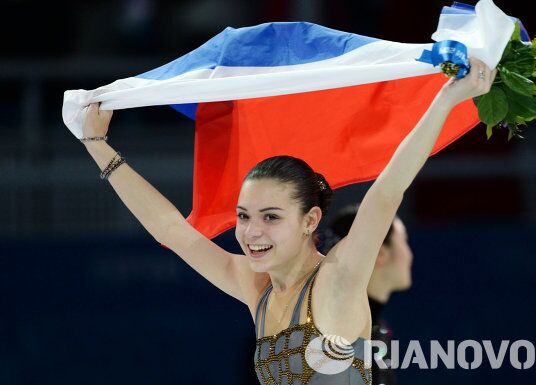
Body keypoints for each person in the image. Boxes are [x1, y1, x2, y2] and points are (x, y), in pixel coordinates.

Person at [78, 58, 496, 384]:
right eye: (244, 216)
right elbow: (173, 230)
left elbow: (385, 194)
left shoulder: (338, 280)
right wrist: (96, 144)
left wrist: (446, 99)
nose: (251, 231)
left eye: (270, 217)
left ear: (310, 219)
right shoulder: (255, 286)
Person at [328, 206, 413, 385]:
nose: (409, 255)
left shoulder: (374, 329)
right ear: (380, 254)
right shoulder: (337, 336)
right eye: (404, 241)